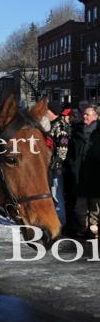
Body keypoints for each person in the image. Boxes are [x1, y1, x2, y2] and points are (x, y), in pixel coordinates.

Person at [64, 104, 100, 236]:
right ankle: (83, 226)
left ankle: (94, 226)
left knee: (96, 204)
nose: (84, 116)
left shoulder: (98, 132)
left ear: (95, 116)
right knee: (80, 205)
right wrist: (71, 166)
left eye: (87, 114)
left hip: (96, 173)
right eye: (84, 114)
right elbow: (70, 153)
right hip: (79, 174)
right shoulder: (77, 131)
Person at [45, 101, 70, 228]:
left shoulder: (61, 126)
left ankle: (61, 221)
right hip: (50, 165)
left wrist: (58, 164)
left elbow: (63, 146)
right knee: (52, 193)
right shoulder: (51, 124)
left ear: (51, 112)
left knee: (57, 193)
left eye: (46, 112)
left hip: (56, 166)